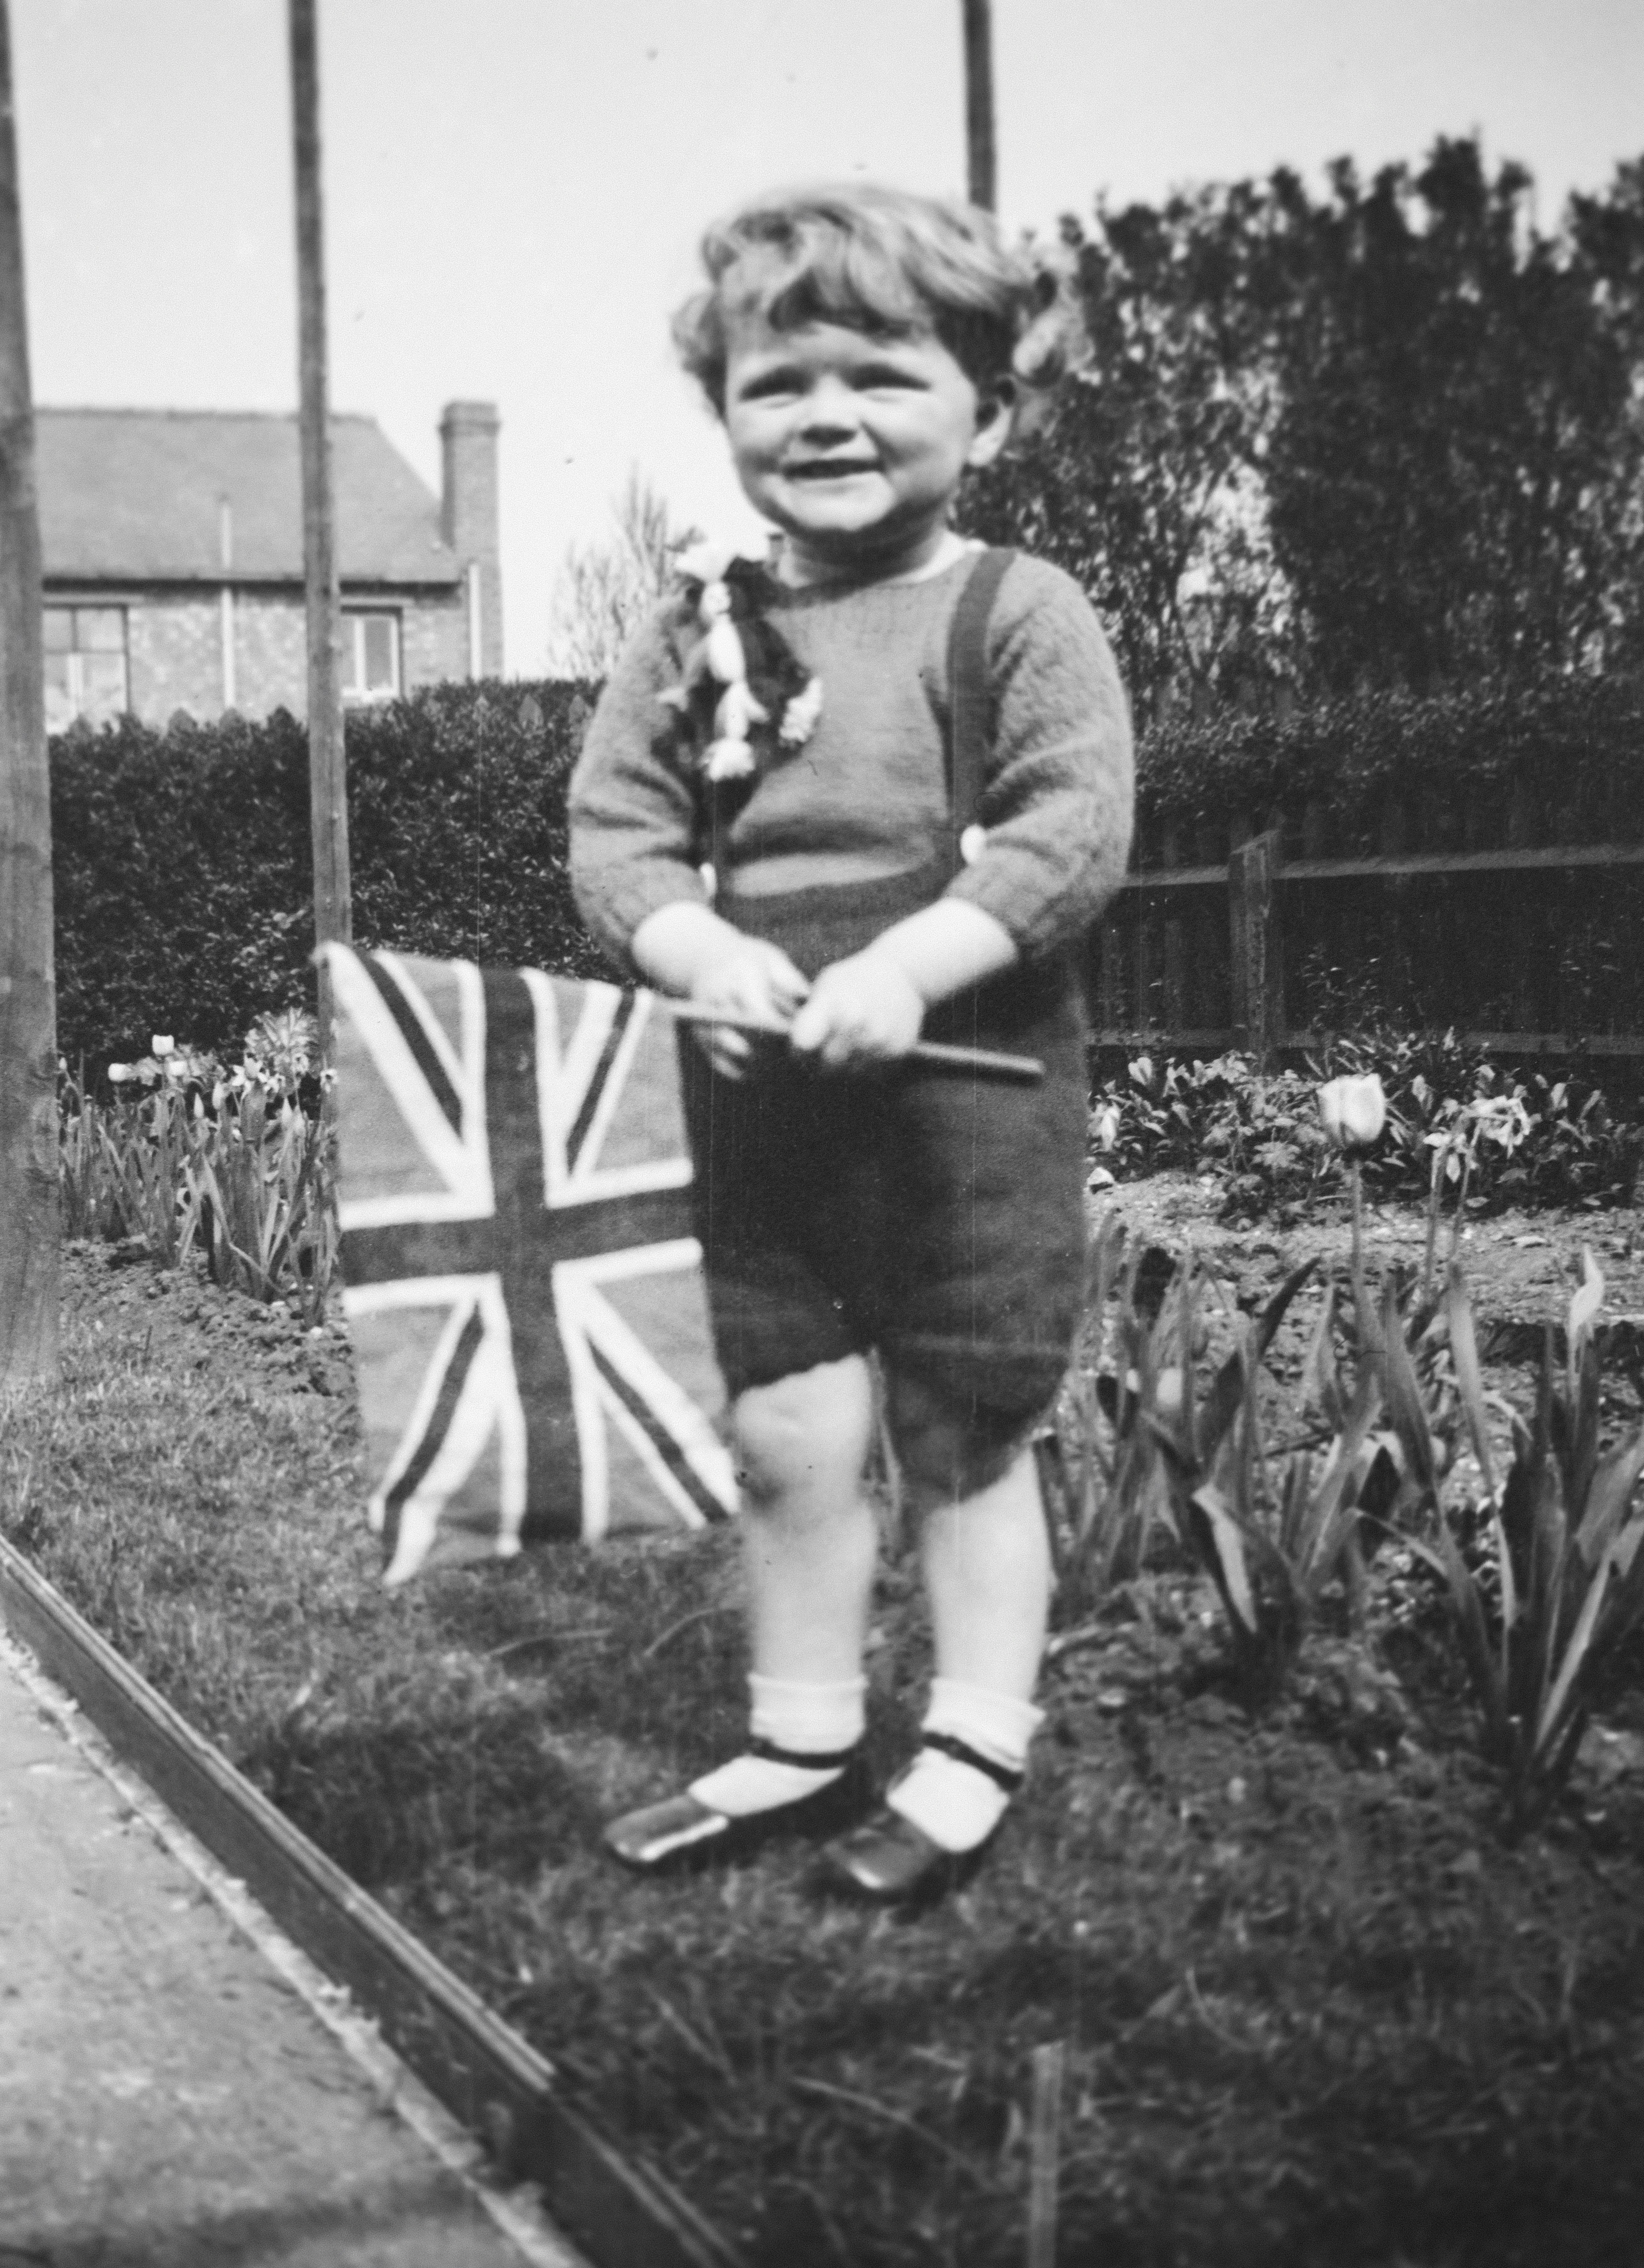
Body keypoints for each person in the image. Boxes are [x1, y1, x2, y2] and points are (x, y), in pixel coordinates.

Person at [568, 183, 1134, 1906]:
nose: (825, 416)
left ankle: (968, 1739)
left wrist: (907, 965)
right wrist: (692, 947)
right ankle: (803, 1735)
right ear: (724, 410)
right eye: (776, 381)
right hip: (757, 1092)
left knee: (961, 1422)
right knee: (790, 1428)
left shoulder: (1014, 610)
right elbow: (618, 830)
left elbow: (1066, 831)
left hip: (966, 1082)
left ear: (989, 408)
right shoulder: (698, 622)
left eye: (883, 375)